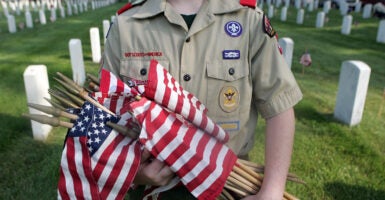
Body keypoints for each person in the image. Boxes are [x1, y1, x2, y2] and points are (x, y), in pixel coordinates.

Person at [100, 0, 303, 199]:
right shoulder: (126, 25)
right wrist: (134, 172)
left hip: (230, 187)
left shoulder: (248, 19)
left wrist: (272, 191)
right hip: (149, 191)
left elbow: (279, 105)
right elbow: (102, 116)